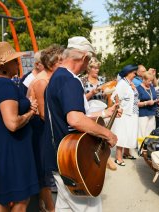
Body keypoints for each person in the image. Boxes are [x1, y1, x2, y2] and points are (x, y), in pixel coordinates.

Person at [43, 36, 118, 211]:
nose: (87, 65)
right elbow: (75, 119)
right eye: (88, 61)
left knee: (64, 206)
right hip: (72, 161)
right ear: (84, 57)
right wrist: (108, 134)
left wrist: (105, 113)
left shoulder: (56, 77)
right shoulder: (70, 80)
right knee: (89, 207)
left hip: (61, 158)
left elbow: (74, 114)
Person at [0, 41, 39, 211]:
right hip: (14, 151)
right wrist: (31, 112)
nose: (18, 63)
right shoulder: (4, 85)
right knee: (21, 201)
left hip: (3, 149)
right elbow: (13, 123)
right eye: (15, 60)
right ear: (5, 66)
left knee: (5, 201)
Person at [27, 44, 64, 212]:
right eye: (62, 61)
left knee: (45, 171)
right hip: (39, 130)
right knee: (44, 171)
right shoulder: (42, 81)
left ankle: (45, 206)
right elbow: (43, 114)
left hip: (42, 128)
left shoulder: (48, 78)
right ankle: (50, 208)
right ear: (54, 62)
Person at [112, 64, 139, 166]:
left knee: (130, 134)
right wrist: (119, 108)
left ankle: (127, 153)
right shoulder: (122, 83)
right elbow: (115, 96)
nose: (135, 75)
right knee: (122, 134)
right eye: (134, 73)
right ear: (128, 73)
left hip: (133, 112)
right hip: (124, 113)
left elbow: (135, 97)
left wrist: (134, 89)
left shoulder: (130, 83)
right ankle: (118, 158)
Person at [136, 72, 158, 138]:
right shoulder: (138, 89)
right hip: (143, 114)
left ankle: (149, 147)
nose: (151, 82)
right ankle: (141, 147)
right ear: (144, 79)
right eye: (149, 81)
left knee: (151, 133)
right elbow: (136, 103)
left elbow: (153, 97)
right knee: (142, 134)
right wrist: (146, 103)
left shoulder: (151, 87)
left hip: (152, 113)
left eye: (152, 80)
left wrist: (157, 101)